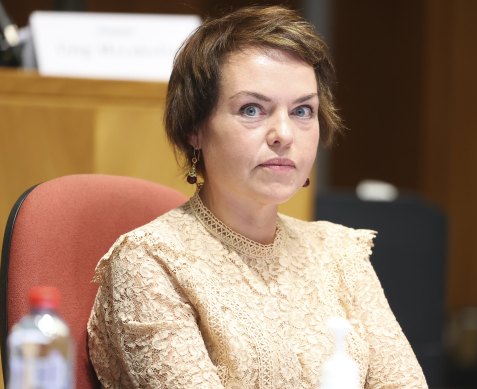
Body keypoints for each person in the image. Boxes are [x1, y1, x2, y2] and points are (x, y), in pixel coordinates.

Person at [87, 5, 427, 389]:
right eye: (252, 109)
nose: (284, 133)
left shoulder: (339, 253)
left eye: (302, 110)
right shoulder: (151, 261)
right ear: (194, 128)